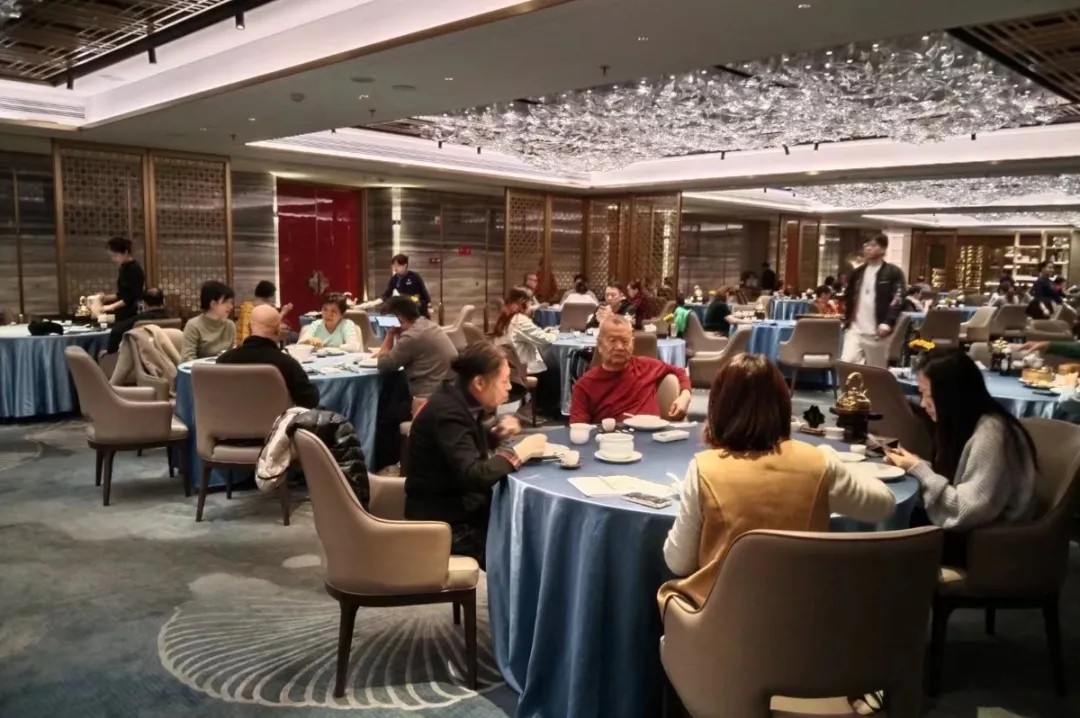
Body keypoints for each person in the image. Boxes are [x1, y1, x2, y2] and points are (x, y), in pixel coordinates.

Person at [658, 354, 895, 611]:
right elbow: (884, 504)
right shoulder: (820, 462)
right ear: (783, 405)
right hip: (805, 619)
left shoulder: (703, 468)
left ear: (718, 408)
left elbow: (677, 562)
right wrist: (838, 465)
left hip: (722, 622)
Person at [405, 342, 548, 566]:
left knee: (530, 528)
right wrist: (520, 452)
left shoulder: (459, 399)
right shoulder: (448, 412)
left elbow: (458, 449)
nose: (509, 387)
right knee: (527, 549)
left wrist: (495, 435)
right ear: (479, 383)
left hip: (458, 509)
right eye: (504, 381)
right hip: (446, 524)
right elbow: (473, 475)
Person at [883, 349, 1036, 545]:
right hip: (971, 528)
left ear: (952, 395)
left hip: (989, 542)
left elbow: (963, 511)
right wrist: (912, 466)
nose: (923, 404)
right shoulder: (964, 423)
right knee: (888, 513)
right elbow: (953, 482)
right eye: (921, 394)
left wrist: (917, 468)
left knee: (891, 531)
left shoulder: (992, 435)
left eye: (928, 395)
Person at [570, 315, 691, 424]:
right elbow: (579, 429)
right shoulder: (585, 385)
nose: (619, 347)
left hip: (652, 436)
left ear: (632, 344)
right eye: (612, 341)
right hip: (610, 438)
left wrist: (685, 395)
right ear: (600, 345)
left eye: (625, 341)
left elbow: (679, 371)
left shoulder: (647, 366)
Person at [217, 305, 319, 408]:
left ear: (249, 327)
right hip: (276, 418)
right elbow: (310, 401)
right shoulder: (287, 364)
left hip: (232, 417)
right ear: (278, 330)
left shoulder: (224, 361)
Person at [840, 234, 906, 367]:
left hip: (877, 331)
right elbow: (849, 296)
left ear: (883, 249)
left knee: (876, 370)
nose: (868, 248)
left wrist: (888, 322)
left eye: (873, 245)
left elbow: (898, 298)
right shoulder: (858, 273)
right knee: (847, 364)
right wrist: (847, 319)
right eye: (866, 245)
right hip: (855, 329)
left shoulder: (893, 272)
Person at [491, 287, 560, 415]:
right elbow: (545, 340)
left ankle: (535, 405)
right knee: (554, 368)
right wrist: (556, 332)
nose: (531, 305)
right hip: (521, 365)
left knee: (549, 362)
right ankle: (543, 409)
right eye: (530, 302)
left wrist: (542, 332)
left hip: (510, 361)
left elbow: (529, 335)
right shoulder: (519, 319)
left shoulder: (505, 316)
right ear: (522, 301)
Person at [374, 295, 458, 398]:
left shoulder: (411, 336)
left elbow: (383, 366)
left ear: (399, 318)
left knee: (387, 391)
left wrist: (390, 333)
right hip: (449, 389)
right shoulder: (425, 324)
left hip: (430, 395)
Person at [181, 280, 236, 362]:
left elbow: (233, 354)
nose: (231, 306)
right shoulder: (193, 325)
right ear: (213, 304)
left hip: (224, 369)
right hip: (200, 369)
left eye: (231, 302)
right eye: (226, 302)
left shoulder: (230, 325)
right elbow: (187, 358)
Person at [106, 287, 169, 354]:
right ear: (164, 302)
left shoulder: (137, 321)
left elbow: (116, 331)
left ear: (144, 304)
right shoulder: (170, 321)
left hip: (138, 356)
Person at [100, 236, 145, 323]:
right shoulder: (123, 268)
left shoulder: (134, 269)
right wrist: (106, 298)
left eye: (115, 255)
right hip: (125, 310)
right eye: (111, 256)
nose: (113, 259)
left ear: (126, 252)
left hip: (133, 312)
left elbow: (132, 296)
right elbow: (123, 293)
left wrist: (111, 306)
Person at [298, 294, 363, 352]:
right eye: (325, 309)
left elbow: (354, 347)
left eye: (333, 311)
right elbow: (299, 345)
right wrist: (308, 342)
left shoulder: (346, 324)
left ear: (342, 314)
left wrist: (328, 349)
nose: (328, 314)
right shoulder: (316, 325)